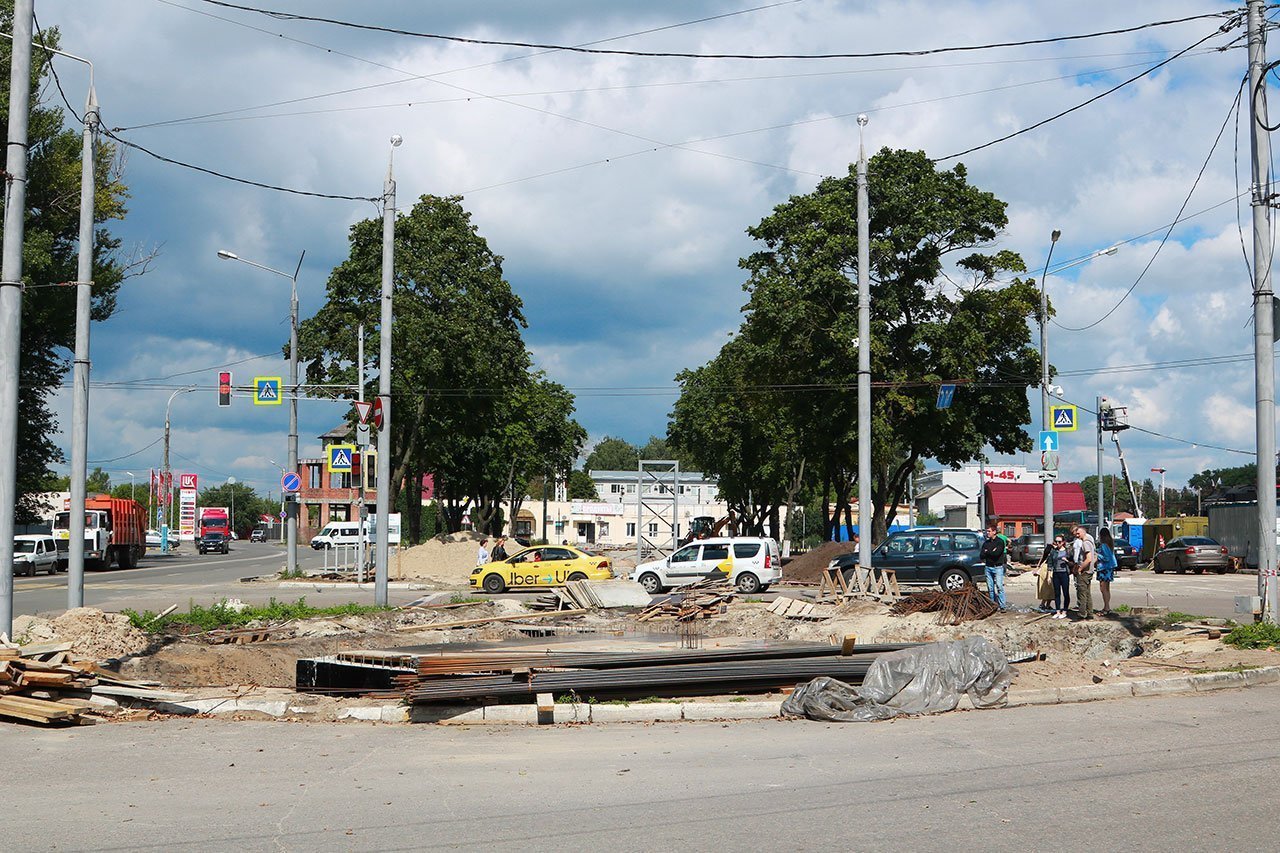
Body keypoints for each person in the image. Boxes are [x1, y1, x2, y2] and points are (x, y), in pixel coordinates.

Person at [980, 525, 1009, 610]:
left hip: (998, 567)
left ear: (994, 532)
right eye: (987, 531)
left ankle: (1002, 606)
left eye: (989, 531)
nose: (987, 533)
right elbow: (981, 555)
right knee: (990, 588)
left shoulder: (1000, 542)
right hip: (988, 567)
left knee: (999, 586)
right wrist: (990, 551)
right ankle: (992, 605)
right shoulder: (986, 543)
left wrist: (987, 552)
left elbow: (996, 554)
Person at [1070, 525, 1097, 618]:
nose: (1077, 535)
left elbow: (1089, 559)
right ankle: (1090, 613)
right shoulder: (1090, 541)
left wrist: (1080, 568)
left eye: (1078, 533)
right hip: (1089, 571)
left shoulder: (1085, 543)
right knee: (1087, 593)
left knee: (1082, 593)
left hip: (1085, 572)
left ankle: (1082, 613)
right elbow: (1095, 556)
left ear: (1083, 533)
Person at [1045, 535, 1072, 618]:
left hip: (1064, 573)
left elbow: (1072, 563)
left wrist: (1066, 560)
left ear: (1063, 542)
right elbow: (1050, 563)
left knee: (1065, 592)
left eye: (1059, 542)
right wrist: (1049, 575)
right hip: (1056, 573)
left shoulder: (1067, 551)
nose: (1057, 543)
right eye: (1056, 541)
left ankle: (1065, 610)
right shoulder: (1053, 551)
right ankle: (1058, 611)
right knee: (1057, 593)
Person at [1095, 528, 1118, 615]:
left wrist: (1097, 555)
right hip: (1109, 568)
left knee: (1103, 588)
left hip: (1104, 568)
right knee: (1107, 588)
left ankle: (1106, 607)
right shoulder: (1110, 544)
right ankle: (1107, 606)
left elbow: (1106, 558)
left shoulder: (1104, 545)